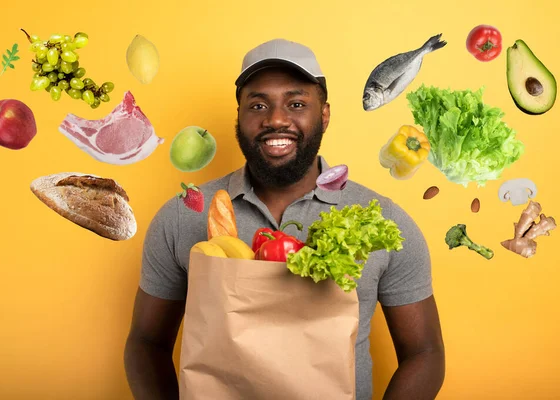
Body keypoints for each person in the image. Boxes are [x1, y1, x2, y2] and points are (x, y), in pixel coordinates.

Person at [124, 38, 446, 400]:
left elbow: (425, 353)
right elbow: (146, 342)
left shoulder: (382, 220)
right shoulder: (184, 215)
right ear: (240, 117)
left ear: (324, 114)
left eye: (296, 103)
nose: (275, 119)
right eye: (258, 104)